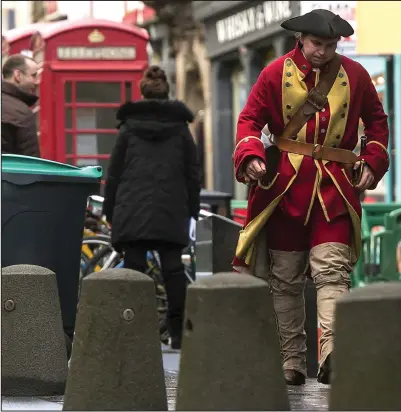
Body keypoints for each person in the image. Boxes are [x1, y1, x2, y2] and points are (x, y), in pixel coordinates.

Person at [232, 9, 389, 385]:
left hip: (335, 189)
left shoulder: (356, 75)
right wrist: (251, 154)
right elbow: (249, 120)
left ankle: (332, 353)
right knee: (284, 279)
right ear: (300, 39)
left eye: (331, 45)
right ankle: (292, 361)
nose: (323, 52)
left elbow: (378, 122)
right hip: (284, 190)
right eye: (317, 44)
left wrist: (372, 161)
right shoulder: (273, 73)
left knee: (332, 271)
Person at [102, 65, 201, 350]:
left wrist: (110, 211)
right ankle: (178, 333)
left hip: (132, 208)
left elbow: (115, 175)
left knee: (133, 268)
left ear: (142, 91)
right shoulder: (181, 130)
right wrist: (191, 211)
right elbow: (192, 175)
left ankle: (131, 328)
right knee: (172, 270)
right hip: (171, 208)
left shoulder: (128, 129)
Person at [2, 54, 40, 157]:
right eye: (34, 75)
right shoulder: (21, 113)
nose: (37, 81)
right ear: (18, 75)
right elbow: (30, 161)